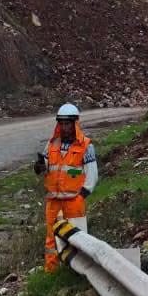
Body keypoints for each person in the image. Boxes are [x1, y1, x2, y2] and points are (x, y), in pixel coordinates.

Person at [34, 103, 96, 272]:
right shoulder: (52, 144)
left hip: (74, 201)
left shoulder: (86, 146)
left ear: (75, 123)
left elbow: (92, 175)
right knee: (51, 240)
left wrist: (81, 196)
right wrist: (39, 166)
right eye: (61, 123)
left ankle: (77, 272)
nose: (64, 127)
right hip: (54, 201)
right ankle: (52, 271)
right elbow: (45, 167)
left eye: (67, 123)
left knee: (77, 239)